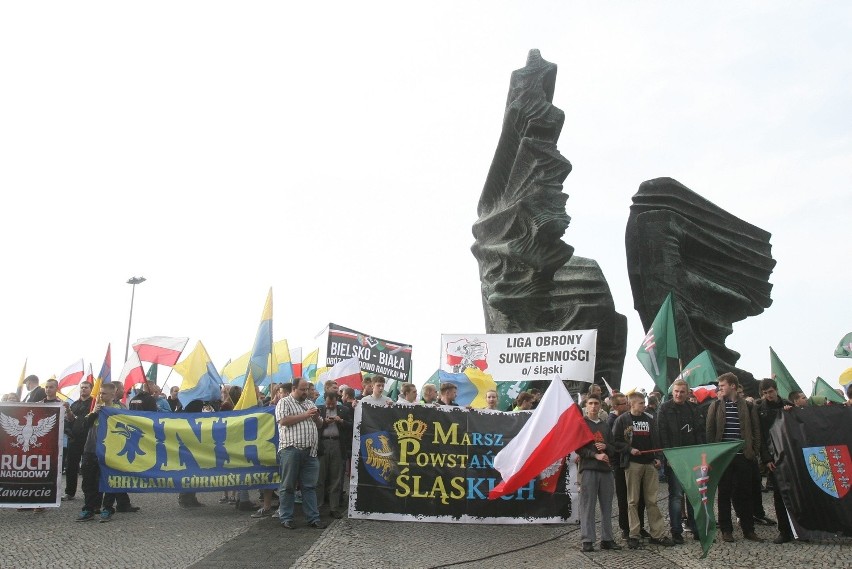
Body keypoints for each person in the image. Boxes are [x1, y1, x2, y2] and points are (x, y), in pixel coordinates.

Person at [706, 372, 763, 543]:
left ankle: (748, 529)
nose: (719, 388)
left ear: (732, 386)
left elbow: (755, 430)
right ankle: (726, 529)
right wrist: (713, 454)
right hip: (723, 457)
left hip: (743, 456)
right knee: (724, 494)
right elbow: (710, 431)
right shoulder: (715, 406)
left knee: (745, 494)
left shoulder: (748, 406)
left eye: (722, 385)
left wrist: (754, 452)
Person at [612, 392, 673, 549]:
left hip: (649, 464)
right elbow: (615, 442)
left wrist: (658, 457)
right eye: (640, 403)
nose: (643, 405)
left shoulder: (650, 419)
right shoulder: (622, 420)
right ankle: (634, 534)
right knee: (632, 501)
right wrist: (629, 449)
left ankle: (657, 533)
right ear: (632, 404)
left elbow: (657, 440)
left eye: (644, 402)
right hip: (632, 464)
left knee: (652, 500)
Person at [656, 379, 703, 544]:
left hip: (691, 458)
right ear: (672, 391)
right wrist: (668, 456)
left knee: (693, 496)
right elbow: (662, 433)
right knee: (676, 496)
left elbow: (699, 433)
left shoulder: (693, 409)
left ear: (687, 392)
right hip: (675, 458)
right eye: (676, 391)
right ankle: (676, 531)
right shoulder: (664, 408)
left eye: (682, 391)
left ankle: (696, 528)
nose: (678, 394)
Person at [275, 378, 325, 529]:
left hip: (310, 451)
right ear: (294, 388)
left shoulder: (310, 403)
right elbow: (283, 421)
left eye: (307, 390)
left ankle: (313, 518)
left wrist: (316, 417)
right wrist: (305, 415)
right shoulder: (284, 402)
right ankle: (286, 517)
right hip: (291, 449)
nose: (306, 392)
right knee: (288, 486)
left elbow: (320, 424)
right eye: (303, 390)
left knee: (309, 486)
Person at [577, 395, 621, 552]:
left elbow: (613, 447)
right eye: (591, 403)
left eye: (596, 403)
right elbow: (578, 448)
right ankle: (587, 540)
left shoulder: (605, 425)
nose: (594, 406)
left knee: (607, 506)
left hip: (605, 470)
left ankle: (607, 538)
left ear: (601, 406)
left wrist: (606, 448)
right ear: (586, 406)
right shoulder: (581, 424)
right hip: (589, 468)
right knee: (588, 506)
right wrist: (594, 455)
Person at [75, 383, 123, 522]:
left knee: (109, 480)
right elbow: (85, 425)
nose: (101, 396)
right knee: (89, 481)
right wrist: (95, 412)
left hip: (110, 451)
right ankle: (89, 508)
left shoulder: (119, 409)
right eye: (100, 393)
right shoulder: (96, 408)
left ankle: (107, 508)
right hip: (91, 449)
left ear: (113, 395)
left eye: (104, 394)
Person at [756, 378, 794, 543]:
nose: (768, 395)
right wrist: (766, 459)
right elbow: (762, 437)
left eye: (770, 392)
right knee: (779, 496)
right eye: (765, 393)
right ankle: (784, 531)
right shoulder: (760, 409)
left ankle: (799, 529)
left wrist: (791, 413)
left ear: (776, 390)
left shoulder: (787, 405)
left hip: (791, 455)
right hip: (774, 457)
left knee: (796, 494)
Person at [317, 391, 353, 519]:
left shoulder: (344, 410)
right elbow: (314, 426)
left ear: (337, 401)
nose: (330, 406)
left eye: (333, 404)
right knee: (320, 477)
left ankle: (334, 507)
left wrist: (341, 421)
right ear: (324, 400)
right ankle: (318, 507)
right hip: (323, 444)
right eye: (328, 403)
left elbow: (352, 426)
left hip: (338, 444)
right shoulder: (319, 410)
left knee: (336, 478)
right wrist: (324, 422)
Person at [63, 381, 93, 500]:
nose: (83, 389)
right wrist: (68, 411)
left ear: (91, 389)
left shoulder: (93, 404)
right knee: (71, 466)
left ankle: (88, 493)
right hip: (74, 439)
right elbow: (70, 420)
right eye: (82, 387)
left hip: (88, 439)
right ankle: (70, 492)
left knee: (87, 467)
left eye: (86, 387)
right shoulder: (74, 404)